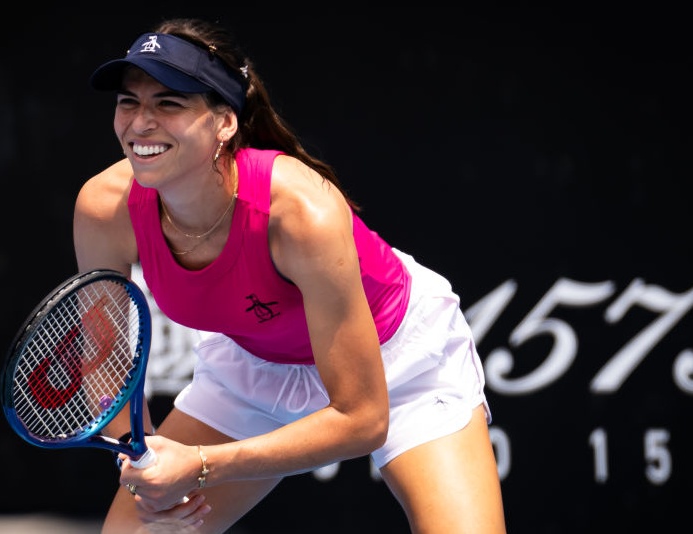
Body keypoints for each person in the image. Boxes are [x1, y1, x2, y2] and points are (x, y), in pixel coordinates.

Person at [74, 17, 507, 534]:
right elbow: (105, 361)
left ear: (225, 122)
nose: (140, 122)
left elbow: (363, 419)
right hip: (252, 368)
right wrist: (140, 459)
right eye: (129, 102)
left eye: (169, 103)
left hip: (397, 367)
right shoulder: (104, 208)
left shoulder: (301, 210)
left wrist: (201, 464)